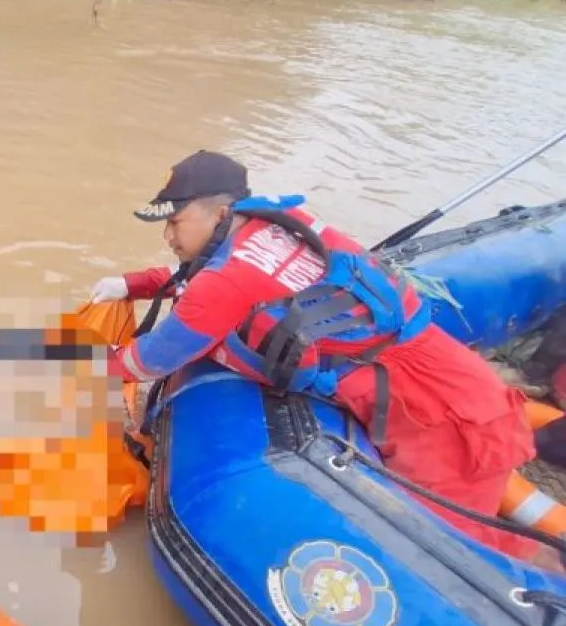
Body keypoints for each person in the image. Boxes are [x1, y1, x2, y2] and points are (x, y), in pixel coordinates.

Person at [89, 149, 542, 562]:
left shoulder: (225, 282)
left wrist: (86, 360)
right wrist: (133, 283)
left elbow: (148, 360)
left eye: (175, 222)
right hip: (445, 382)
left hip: (439, 418)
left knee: (445, 556)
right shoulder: (274, 224)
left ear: (221, 212)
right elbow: (201, 276)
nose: (168, 234)